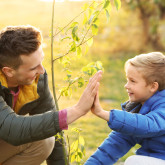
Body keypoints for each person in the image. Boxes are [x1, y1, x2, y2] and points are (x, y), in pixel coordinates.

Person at [0, 25, 102, 165]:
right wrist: (77, 110)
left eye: (41, 62)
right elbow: (13, 129)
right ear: (9, 71)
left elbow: (51, 129)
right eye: (33, 67)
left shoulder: (36, 80)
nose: (41, 70)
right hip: (7, 134)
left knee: (45, 140)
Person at [85, 52, 165, 165]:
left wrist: (103, 113)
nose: (126, 85)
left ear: (153, 86)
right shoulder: (136, 112)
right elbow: (112, 147)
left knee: (135, 162)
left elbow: (148, 125)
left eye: (132, 81)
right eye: (127, 80)